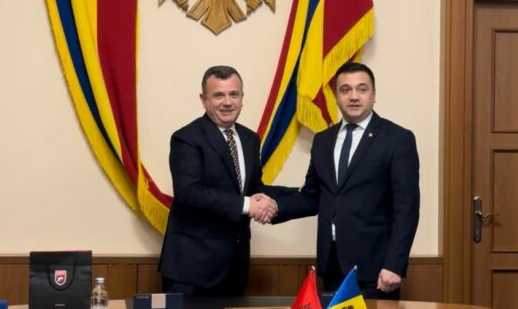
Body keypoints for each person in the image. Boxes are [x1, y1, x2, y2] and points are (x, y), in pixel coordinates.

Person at [274, 62, 420, 299]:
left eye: (362, 89)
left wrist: (395, 264)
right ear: (336, 96)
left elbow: (407, 208)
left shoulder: (397, 139)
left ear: (373, 94)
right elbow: (312, 197)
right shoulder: (323, 140)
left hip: (376, 270)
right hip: (331, 265)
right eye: (345, 90)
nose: (353, 96)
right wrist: (271, 206)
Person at [158, 65, 289, 296]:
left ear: (242, 98)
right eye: (218, 95)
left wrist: (298, 194)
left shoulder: (250, 139)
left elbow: (253, 189)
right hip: (191, 270)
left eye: (233, 94)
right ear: (204, 100)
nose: (227, 102)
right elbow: (189, 192)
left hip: (235, 267)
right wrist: (248, 205)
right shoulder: (186, 138)